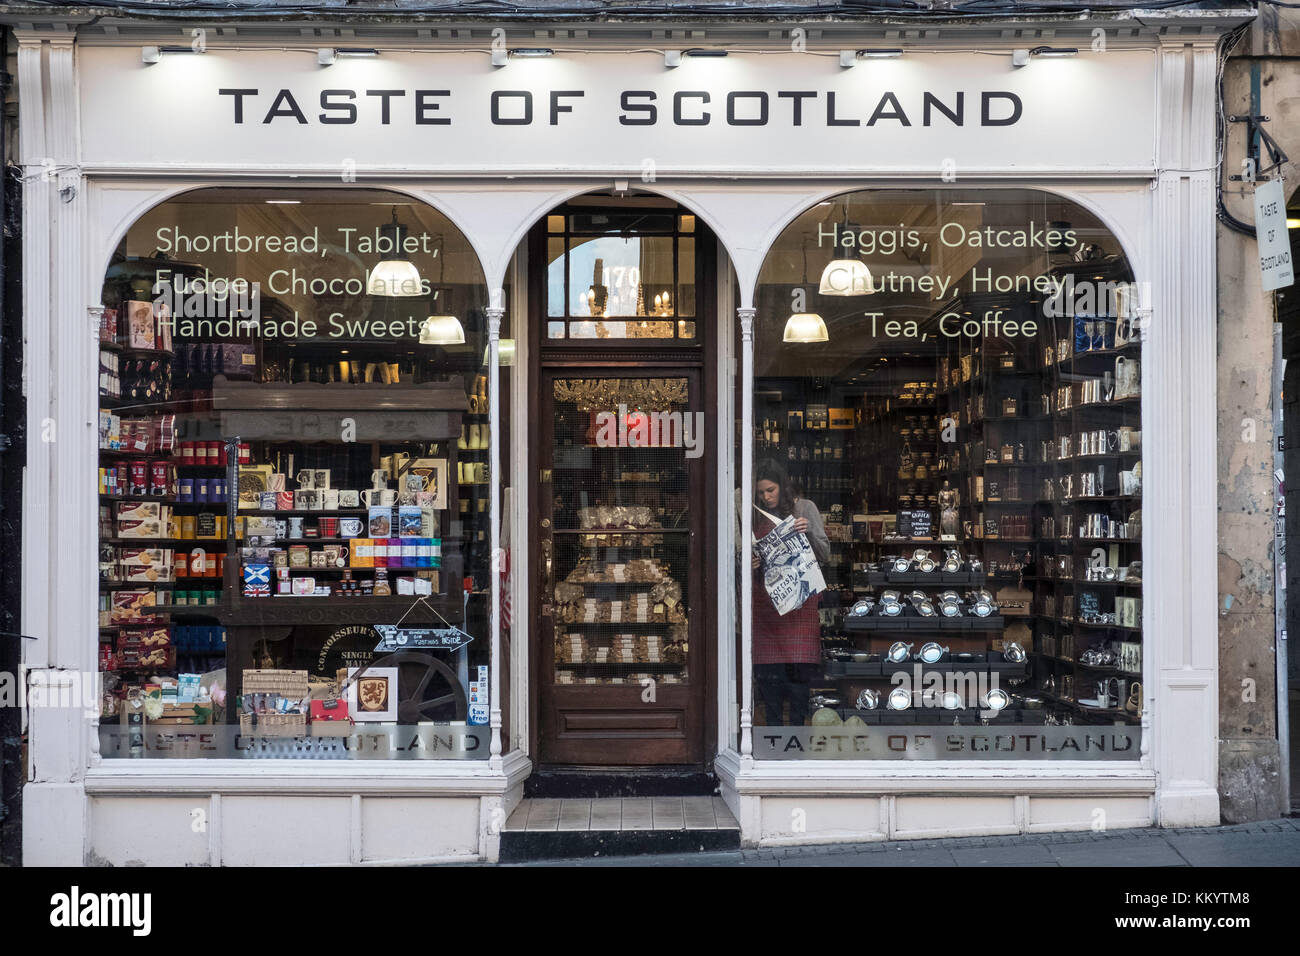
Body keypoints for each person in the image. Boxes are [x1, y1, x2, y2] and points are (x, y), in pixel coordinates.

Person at [745, 458, 830, 727]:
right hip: (766, 611)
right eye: (760, 493)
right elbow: (746, 562)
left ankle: (796, 736)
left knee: (798, 680)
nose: (766, 496)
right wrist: (750, 563)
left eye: (770, 490)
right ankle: (772, 735)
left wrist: (808, 535)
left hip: (799, 610)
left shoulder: (805, 508)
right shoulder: (753, 515)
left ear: (782, 486)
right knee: (769, 680)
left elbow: (826, 555)